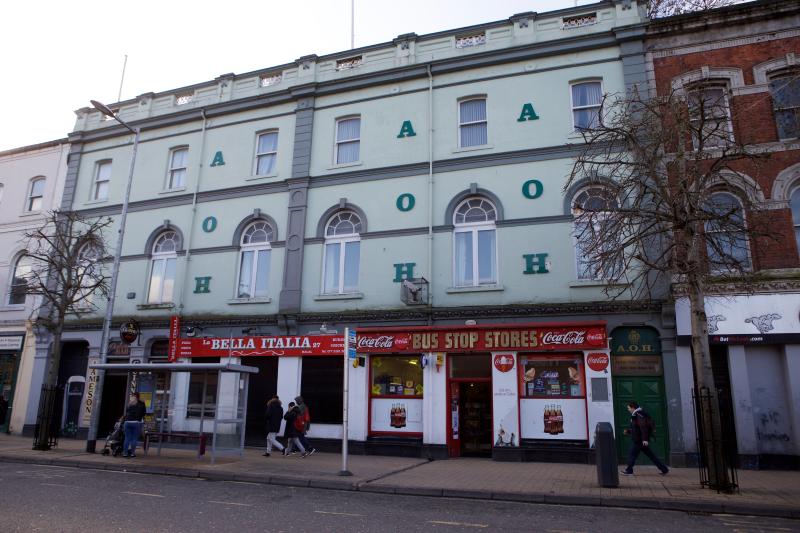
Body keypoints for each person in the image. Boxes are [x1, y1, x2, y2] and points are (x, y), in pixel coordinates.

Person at [621, 401, 669, 476]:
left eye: (629, 408)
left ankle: (629, 470)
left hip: (639, 440)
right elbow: (637, 428)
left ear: (633, 407)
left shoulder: (639, 414)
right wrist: (629, 431)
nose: (628, 410)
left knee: (632, 454)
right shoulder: (636, 415)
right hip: (640, 440)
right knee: (651, 455)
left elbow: (643, 428)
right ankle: (664, 469)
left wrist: (645, 440)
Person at [122, 392, 146, 458]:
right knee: (134, 439)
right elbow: (144, 413)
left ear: (133, 396)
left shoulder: (129, 403)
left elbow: (127, 413)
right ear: (139, 397)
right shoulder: (142, 403)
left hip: (127, 423)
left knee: (127, 438)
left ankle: (125, 453)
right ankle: (132, 453)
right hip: (136, 423)